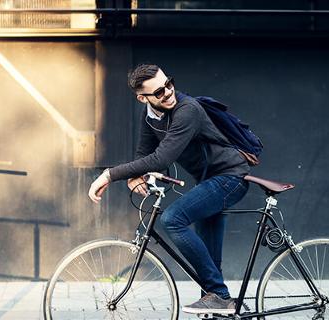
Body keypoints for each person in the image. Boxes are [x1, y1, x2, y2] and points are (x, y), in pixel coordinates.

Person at [87, 63, 250, 315]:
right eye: (159, 92)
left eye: (169, 84)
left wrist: (110, 174)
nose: (168, 92)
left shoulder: (188, 111)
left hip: (229, 177)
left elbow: (161, 159)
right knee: (209, 260)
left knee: (173, 218)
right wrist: (134, 177)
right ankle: (225, 305)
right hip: (209, 181)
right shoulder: (150, 115)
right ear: (143, 98)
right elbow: (144, 151)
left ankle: (218, 295)